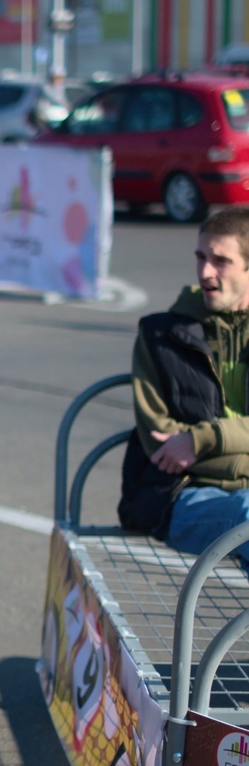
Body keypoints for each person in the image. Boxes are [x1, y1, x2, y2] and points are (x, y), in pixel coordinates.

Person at [120, 207, 249, 562]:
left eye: (221, 261)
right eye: (201, 256)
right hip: (185, 494)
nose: (206, 271)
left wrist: (199, 440)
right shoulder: (160, 335)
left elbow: (183, 444)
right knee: (247, 514)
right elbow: (159, 439)